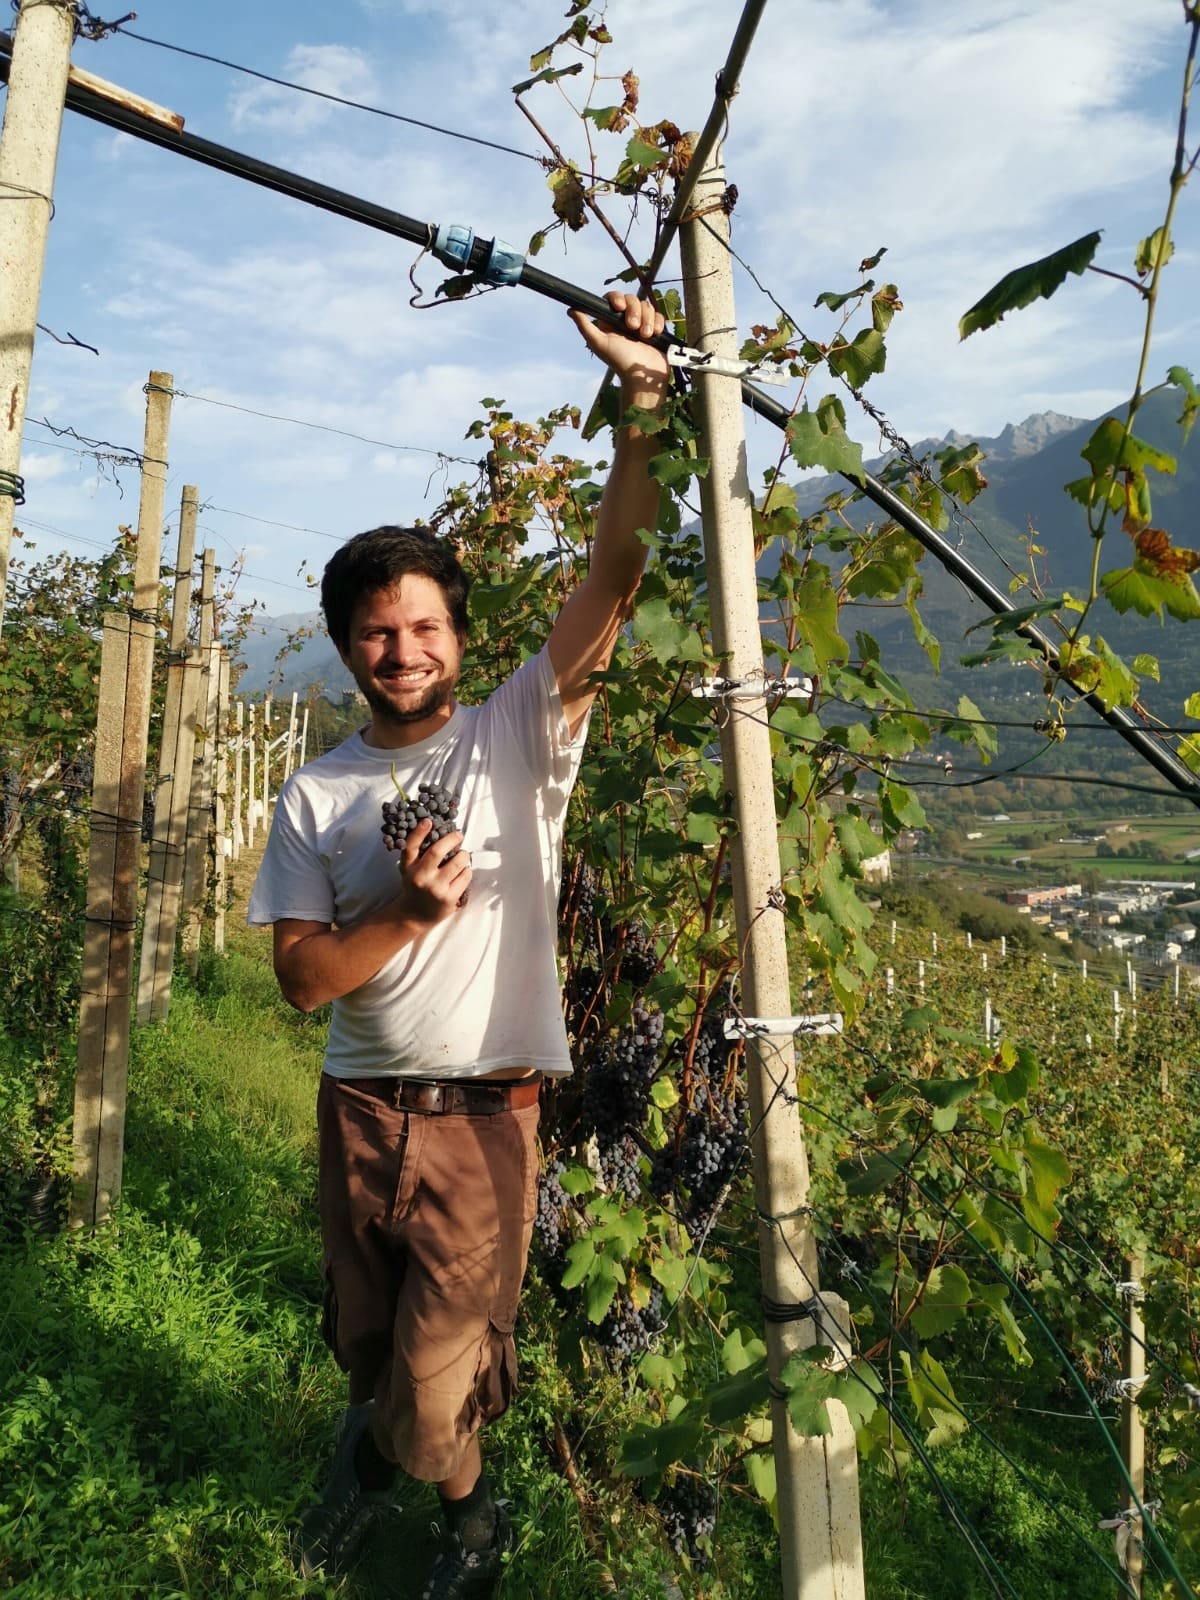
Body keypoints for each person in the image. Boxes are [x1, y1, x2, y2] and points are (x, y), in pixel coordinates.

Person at [246, 292, 669, 1600]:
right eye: (377, 629)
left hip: (488, 1115)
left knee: (437, 1388)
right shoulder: (316, 794)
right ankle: (393, 1457)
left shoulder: (521, 737)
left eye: (425, 625)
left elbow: (612, 576)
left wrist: (643, 409)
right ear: (345, 646)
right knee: (370, 1345)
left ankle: (460, 1520)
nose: (403, 648)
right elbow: (303, 978)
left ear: (460, 638)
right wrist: (408, 914)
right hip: (360, 1108)